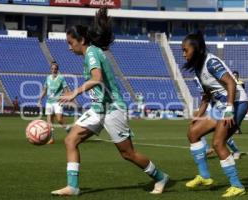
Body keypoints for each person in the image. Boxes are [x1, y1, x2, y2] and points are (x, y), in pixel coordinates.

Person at [51, 8, 169, 196]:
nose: (69, 47)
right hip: (99, 109)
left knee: (127, 153)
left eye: (70, 43)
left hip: (113, 108)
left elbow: (96, 78)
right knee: (70, 139)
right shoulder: (90, 53)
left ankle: (161, 177)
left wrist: (75, 92)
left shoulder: (91, 54)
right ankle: (72, 187)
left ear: (81, 40)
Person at [182, 32, 248, 197]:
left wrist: (229, 109)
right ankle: (205, 176)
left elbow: (231, 83)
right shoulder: (198, 68)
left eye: (185, 50)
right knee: (193, 132)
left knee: (218, 143)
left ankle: (237, 186)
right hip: (220, 105)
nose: (183, 54)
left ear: (196, 49)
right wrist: (198, 116)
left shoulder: (211, 62)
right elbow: (206, 96)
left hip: (236, 103)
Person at [194, 77, 242, 159]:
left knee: (222, 133)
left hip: (221, 105)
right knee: (198, 130)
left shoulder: (210, 74)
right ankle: (206, 149)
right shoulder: (196, 78)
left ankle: (236, 151)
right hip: (212, 105)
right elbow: (205, 94)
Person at [38, 61, 71, 144]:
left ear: (57, 70)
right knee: (49, 121)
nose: (54, 70)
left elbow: (66, 89)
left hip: (58, 101)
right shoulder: (48, 78)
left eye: (55, 69)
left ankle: (70, 132)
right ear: (50, 69)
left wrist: (68, 100)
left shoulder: (61, 78)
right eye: (52, 69)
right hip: (49, 102)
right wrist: (40, 99)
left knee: (59, 119)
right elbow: (44, 90)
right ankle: (51, 139)